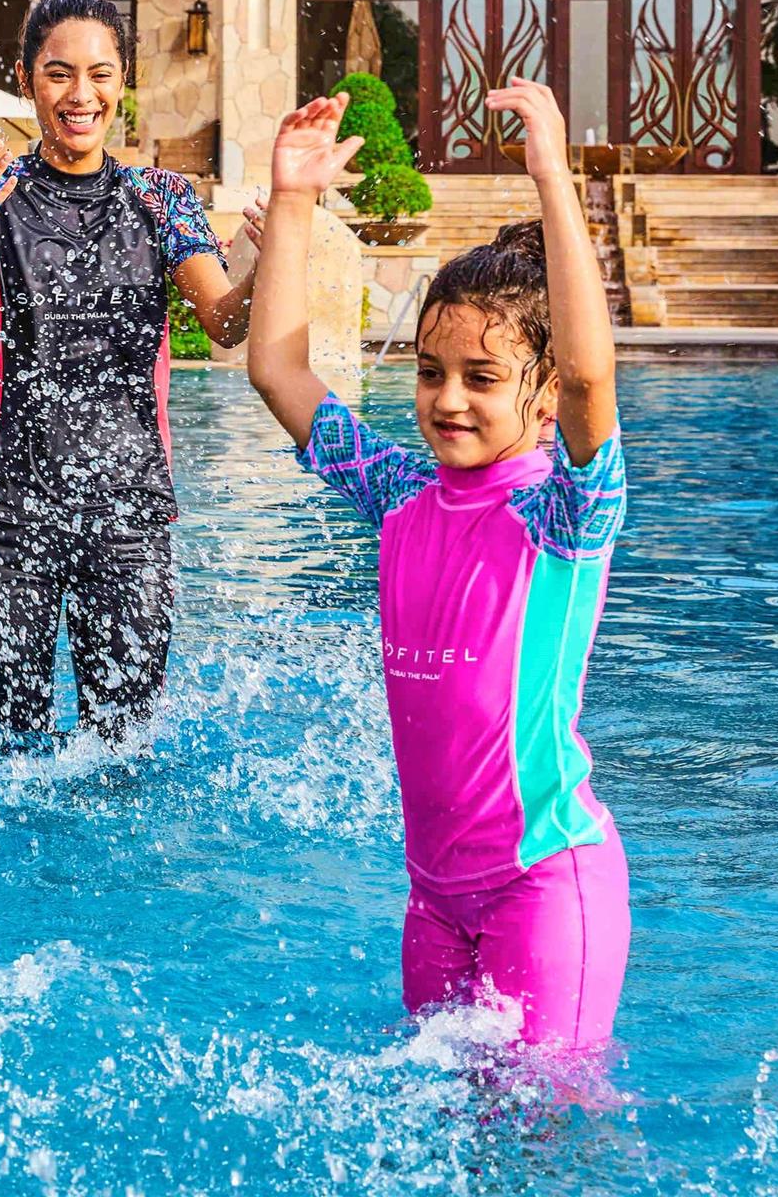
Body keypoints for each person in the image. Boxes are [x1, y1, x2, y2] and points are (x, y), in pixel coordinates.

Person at [245, 80, 631, 1052]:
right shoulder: (401, 495)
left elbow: (593, 374)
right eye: (430, 372)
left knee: (542, 1121)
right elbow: (278, 373)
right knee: (447, 1113)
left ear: (544, 397)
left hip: (545, 886)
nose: (448, 398)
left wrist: (553, 177)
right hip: (433, 902)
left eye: (481, 378)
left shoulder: (564, 516)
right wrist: (291, 201)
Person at [0, 0, 258, 744]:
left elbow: (224, 323)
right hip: (4, 511)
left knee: (126, 745)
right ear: (26, 81)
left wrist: (267, 259)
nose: (81, 95)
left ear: (123, 81)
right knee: (10, 742)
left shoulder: (161, 198)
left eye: (100, 75)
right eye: (59, 74)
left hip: (130, 511)